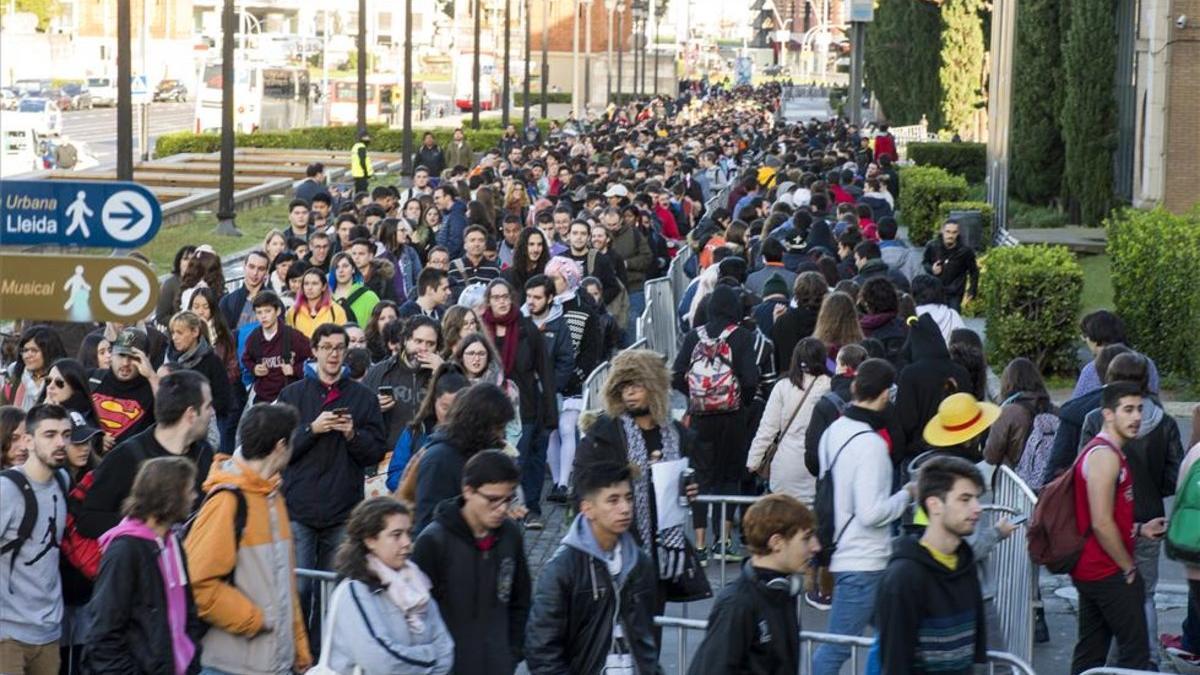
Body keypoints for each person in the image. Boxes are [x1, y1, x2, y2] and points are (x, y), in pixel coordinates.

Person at [275, 323, 386, 647]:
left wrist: (352, 435)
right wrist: (312, 429)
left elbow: (375, 452)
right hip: (299, 509)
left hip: (342, 511)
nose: (334, 354)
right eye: (327, 347)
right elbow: (278, 451)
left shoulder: (363, 398)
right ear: (315, 350)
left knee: (335, 592)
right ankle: (297, 655)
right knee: (300, 589)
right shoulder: (292, 394)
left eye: (340, 348)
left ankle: (325, 657)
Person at [184, 403, 313, 675]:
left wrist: (299, 649)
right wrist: (255, 620)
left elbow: (284, 583)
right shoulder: (227, 502)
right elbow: (199, 585)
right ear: (280, 446)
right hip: (230, 666)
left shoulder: (272, 496)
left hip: (274, 663)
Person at [811, 359, 916, 675]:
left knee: (894, 636)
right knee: (836, 649)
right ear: (885, 395)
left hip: (848, 554)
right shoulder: (871, 445)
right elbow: (871, 512)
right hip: (863, 559)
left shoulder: (834, 431)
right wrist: (909, 494)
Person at [1077, 352, 1183, 664]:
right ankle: (1144, 661)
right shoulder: (1164, 422)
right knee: (1144, 595)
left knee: (1102, 607)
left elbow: (1081, 473)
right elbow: (1172, 475)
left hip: (1109, 523)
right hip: (1149, 516)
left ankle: (1124, 662)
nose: (1134, 417)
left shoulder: (1098, 420)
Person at [525, 461, 659, 675]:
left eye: (628, 498)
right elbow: (542, 650)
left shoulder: (639, 563)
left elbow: (646, 640)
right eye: (613, 500)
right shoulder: (563, 569)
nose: (625, 508)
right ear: (587, 508)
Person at [411, 451, 531, 675]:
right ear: (468, 491)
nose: (502, 509)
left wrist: (512, 651)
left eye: (508, 499)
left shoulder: (510, 535)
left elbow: (520, 599)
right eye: (493, 499)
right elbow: (417, 616)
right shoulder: (433, 542)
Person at [1069, 381, 1160, 672]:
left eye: (1140, 410)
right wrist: (1128, 567)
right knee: (1135, 656)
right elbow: (1100, 522)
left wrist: (1139, 528)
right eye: (1128, 410)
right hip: (1106, 570)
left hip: (1098, 568)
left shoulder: (1109, 452)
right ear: (1108, 414)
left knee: (1091, 652)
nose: (1136, 418)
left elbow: (1109, 515)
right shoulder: (1104, 456)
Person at [83, 456, 204, 673]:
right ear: (170, 497)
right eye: (189, 491)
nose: (195, 496)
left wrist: (192, 659)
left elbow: (188, 614)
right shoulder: (124, 552)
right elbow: (102, 636)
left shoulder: (173, 541)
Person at [875, 455, 989, 673]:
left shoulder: (965, 562)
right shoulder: (903, 577)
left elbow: (975, 654)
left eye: (977, 498)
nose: (977, 508)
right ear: (934, 504)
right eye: (965, 499)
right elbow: (895, 665)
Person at [687, 494, 821, 675]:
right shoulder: (737, 604)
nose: (815, 547)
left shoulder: (782, 593)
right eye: (806, 538)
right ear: (777, 542)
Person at [672, 284, 760, 557]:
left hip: (699, 418)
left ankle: (699, 544)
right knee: (729, 477)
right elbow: (750, 380)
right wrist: (739, 402)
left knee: (701, 477)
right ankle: (723, 541)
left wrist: (696, 397)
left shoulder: (693, 337)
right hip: (733, 420)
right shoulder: (742, 337)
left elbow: (676, 375)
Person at [321, 496, 455, 674]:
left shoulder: (417, 584)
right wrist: (431, 655)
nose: (407, 542)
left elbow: (446, 649)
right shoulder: (354, 592)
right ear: (370, 540)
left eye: (409, 533)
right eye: (396, 535)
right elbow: (382, 662)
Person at [78, 370, 215, 539]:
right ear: (191, 414)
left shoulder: (205, 453)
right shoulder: (126, 457)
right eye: (208, 406)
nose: (212, 412)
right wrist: (145, 527)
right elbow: (88, 519)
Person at [480, 279, 557, 529]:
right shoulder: (481, 331)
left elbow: (544, 371)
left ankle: (530, 508)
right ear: (488, 301)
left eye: (505, 296)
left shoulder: (527, 329)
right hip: (491, 410)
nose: (501, 301)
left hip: (525, 407)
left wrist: (550, 412)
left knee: (526, 461)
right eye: (496, 297)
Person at [0, 404, 70, 675]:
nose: (61, 442)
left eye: (66, 434)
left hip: (49, 633)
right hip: (7, 636)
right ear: (29, 440)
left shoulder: (62, 480)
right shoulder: (7, 489)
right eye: (50, 434)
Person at [413, 383, 516, 532]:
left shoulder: (481, 454)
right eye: (498, 428)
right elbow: (428, 524)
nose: (502, 436)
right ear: (479, 424)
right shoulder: (439, 459)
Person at [746, 337, 830, 502]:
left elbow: (768, 428)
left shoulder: (783, 386)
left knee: (783, 518)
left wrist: (754, 460)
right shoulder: (830, 386)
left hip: (784, 466)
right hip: (816, 465)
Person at [894, 313, 972, 465]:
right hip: (957, 451)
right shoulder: (960, 372)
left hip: (920, 454)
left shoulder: (910, 374)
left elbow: (906, 421)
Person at [363, 317, 444, 452]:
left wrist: (442, 373)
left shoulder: (444, 372)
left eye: (430, 344)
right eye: (418, 341)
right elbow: (359, 415)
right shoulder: (380, 371)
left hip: (430, 454)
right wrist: (373, 406)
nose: (423, 349)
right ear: (406, 340)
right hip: (388, 455)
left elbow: (458, 412)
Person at [163, 311, 233, 436]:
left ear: (195, 332)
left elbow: (224, 400)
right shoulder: (168, 359)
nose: (174, 337)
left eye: (179, 332)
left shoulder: (212, 361)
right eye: (173, 332)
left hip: (203, 429)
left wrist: (200, 412)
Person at [983, 357, 1056, 469]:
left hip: (1016, 478)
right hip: (1050, 478)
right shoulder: (1054, 409)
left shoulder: (1008, 413)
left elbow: (991, 456)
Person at [241, 290, 313, 404]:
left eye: (267, 311)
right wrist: (254, 368)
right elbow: (246, 358)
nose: (263, 316)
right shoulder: (254, 337)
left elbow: (313, 358)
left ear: (278, 311)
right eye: (259, 312)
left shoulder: (293, 336)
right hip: (263, 397)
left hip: (289, 397)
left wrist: (294, 370)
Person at [1073, 310, 1161, 396]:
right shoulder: (1147, 363)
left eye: (1085, 336)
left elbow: (1076, 405)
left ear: (1095, 338)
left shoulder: (1091, 370)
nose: (1085, 341)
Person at [4, 325, 67, 410]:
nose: (27, 356)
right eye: (25, 350)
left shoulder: (64, 379)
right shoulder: (14, 374)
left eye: (34, 350)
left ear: (49, 351)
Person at [921, 221, 979, 311]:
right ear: (942, 231)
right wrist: (932, 269)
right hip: (935, 290)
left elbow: (974, 271)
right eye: (948, 231)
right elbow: (925, 262)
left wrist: (972, 290)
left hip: (955, 292)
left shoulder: (965, 251)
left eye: (954, 232)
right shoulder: (932, 246)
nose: (950, 236)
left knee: (953, 319)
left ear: (958, 233)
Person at [217, 250, 270, 336]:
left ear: (266, 272)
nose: (255, 273)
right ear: (244, 267)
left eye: (261, 269)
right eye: (251, 267)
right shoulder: (228, 301)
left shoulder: (274, 301)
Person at [287, 267, 349, 337]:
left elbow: (342, 339)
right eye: (306, 284)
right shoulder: (293, 312)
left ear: (324, 287)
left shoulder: (336, 311)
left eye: (315, 283)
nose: (309, 288)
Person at [448, 226, 503, 301]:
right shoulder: (453, 266)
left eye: (481, 240)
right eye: (472, 240)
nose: (476, 244)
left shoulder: (494, 268)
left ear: (485, 245)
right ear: (465, 245)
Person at [330, 252, 381, 326]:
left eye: (345, 266)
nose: (340, 270)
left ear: (353, 269)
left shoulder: (369, 297)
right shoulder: (326, 298)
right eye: (336, 267)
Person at [434, 185, 469, 259]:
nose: (435, 201)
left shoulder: (457, 215)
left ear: (447, 197)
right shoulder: (447, 214)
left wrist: (443, 259)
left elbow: (456, 243)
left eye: (437, 198)